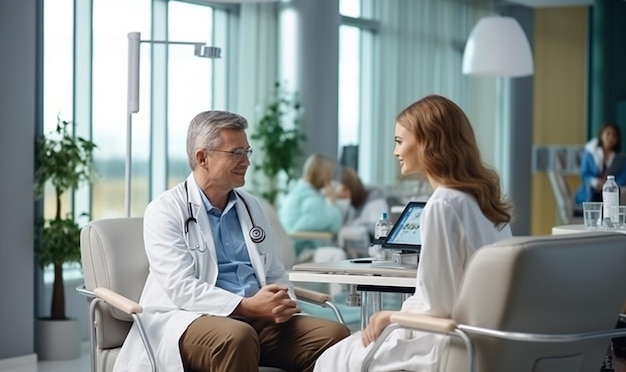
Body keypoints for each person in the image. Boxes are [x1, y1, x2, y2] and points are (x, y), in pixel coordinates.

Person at [113, 110, 350, 372]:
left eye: (247, 152)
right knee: (237, 336)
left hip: (256, 320)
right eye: (236, 153)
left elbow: (274, 272)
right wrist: (246, 306)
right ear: (203, 157)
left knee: (333, 336)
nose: (246, 162)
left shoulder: (252, 206)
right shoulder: (165, 210)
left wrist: (281, 301)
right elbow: (180, 287)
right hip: (191, 318)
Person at [313, 94, 513, 372]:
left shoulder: (444, 204)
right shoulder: (485, 203)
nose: (395, 152)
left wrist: (387, 316)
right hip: (484, 340)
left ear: (428, 141)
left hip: (442, 341)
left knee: (330, 360)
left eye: (399, 141)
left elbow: (437, 306)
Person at [279, 154, 345, 260]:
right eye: (329, 175)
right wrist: (332, 202)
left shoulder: (299, 191)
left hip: (299, 246)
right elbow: (332, 224)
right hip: (301, 250)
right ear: (323, 175)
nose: (331, 179)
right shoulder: (309, 198)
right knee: (338, 255)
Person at [574, 122, 626, 205]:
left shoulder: (620, 159)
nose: (610, 138)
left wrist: (609, 185)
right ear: (601, 135)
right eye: (608, 134)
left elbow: (623, 177)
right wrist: (596, 183)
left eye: (614, 135)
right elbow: (585, 175)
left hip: (611, 196)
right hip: (590, 195)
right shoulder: (589, 154)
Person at [337, 166, 390, 240]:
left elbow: (376, 229)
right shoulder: (353, 204)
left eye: (344, 191)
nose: (342, 195)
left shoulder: (375, 199)